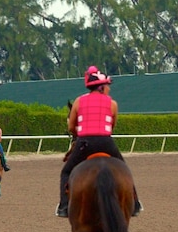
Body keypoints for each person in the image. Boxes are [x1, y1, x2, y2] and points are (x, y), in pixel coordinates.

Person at [56, 66, 142, 218]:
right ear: (101, 86)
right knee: (124, 169)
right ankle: (134, 204)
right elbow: (111, 126)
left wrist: (79, 133)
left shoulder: (78, 101)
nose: (109, 88)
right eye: (108, 85)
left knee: (66, 171)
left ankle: (63, 207)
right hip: (106, 142)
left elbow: (71, 126)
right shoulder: (112, 104)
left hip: (84, 143)